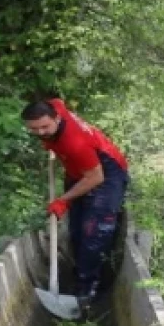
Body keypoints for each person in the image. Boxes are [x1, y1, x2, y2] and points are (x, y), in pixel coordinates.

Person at [21, 96, 130, 308]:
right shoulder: (55, 108)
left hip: (106, 174)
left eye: (44, 127)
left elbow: (96, 178)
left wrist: (63, 200)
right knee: (77, 229)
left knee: (94, 233)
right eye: (34, 129)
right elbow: (56, 99)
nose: (40, 132)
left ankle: (87, 292)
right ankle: (77, 274)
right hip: (79, 169)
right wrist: (49, 140)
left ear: (57, 119)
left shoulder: (73, 142)